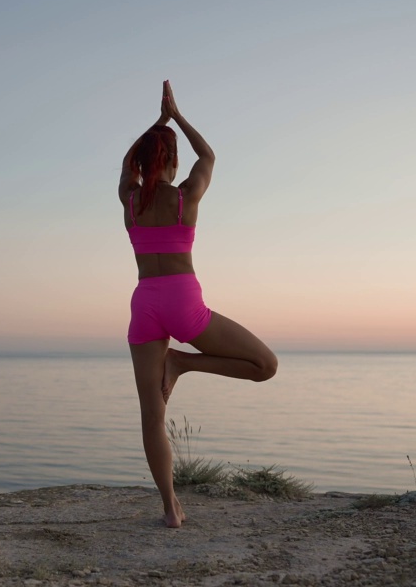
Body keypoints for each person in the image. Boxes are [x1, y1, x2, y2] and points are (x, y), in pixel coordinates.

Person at [118, 80, 278, 528]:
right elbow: (208, 156)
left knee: (152, 414)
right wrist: (176, 117)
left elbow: (128, 163)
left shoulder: (129, 200)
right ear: (170, 160)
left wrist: (156, 126)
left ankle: (171, 510)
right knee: (266, 365)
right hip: (183, 302)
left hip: (144, 303)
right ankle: (185, 364)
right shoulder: (184, 196)